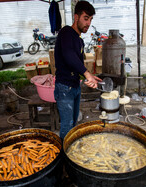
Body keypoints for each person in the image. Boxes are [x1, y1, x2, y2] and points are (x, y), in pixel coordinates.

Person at [54, 0, 102, 139]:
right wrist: (87, 74)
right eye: (85, 18)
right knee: (67, 125)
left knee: (74, 123)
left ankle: (70, 153)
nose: (88, 23)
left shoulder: (79, 40)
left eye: (90, 19)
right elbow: (69, 56)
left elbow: (76, 64)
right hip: (64, 88)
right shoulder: (66, 32)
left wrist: (89, 76)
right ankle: (63, 155)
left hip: (75, 87)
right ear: (76, 17)